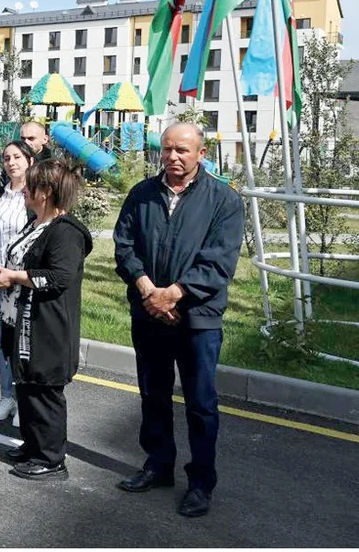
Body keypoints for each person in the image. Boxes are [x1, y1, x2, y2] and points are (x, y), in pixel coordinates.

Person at [112, 122, 244, 518]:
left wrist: (174, 294)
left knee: (201, 404)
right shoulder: (142, 194)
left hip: (197, 320)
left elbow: (219, 261)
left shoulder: (223, 199)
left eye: (182, 150)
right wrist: (147, 288)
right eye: (167, 149)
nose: (172, 157)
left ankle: (201, 482)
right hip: (148, 312)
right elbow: (124, 245)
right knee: (153, 395)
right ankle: (158, 464)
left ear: (201, 153)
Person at [0, 159, 92, 481]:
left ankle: (51, 460)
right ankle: (34, 445)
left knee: (45, 390)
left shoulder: (66, 232)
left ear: (45, 191)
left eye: (29, 186)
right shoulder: (36, 224)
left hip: (46, 326)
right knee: (27, 386)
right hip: (19, 320)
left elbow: (58, 277)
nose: (23, 192)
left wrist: (16, 277)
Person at [0, 140, 37, 427]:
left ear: (29, 160)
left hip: (22, 282)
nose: (11, 162)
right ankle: (6, 395)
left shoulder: (37, 196)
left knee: (23, 344)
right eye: (6, 158)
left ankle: (24, 400)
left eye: (17, 157)